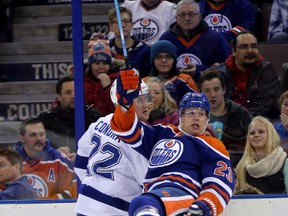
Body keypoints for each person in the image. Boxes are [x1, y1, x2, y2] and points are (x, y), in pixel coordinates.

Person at [110, 69, 235, 216]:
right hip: (155, 195)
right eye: (190, 113)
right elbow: (127, 130)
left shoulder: (211, 144)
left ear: (207, 120)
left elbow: (220, 182)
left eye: (201, 114)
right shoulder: (163, 133)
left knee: (141, 204)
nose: (196, 118)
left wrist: (205, 206)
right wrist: (125, 105)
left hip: (184, 195)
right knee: (140, 204)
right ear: (180, 116)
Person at [74, 77, 151, 215]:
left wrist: (94, 184)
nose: (146, 105)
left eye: (146, 98)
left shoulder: (100, 122)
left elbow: (80, 162)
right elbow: (146, 179)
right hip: (115, 208)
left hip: (85, 203)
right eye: (139, 100)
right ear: (122, 102)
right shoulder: (139, 135)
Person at [214, 30, 280, 119]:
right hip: (226, 123)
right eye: (244, 47)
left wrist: (243, 121)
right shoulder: (220, 73)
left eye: (254, 46)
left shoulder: (266, 70)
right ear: (233, 51)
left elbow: (264, 104)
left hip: (258, 121)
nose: (250, 50)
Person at [159, 0, 231, 81]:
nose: (187, 18)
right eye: (182, 15)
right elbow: (156, 69)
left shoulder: (215, 38)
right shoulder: (166, 39)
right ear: (176, 18)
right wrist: (177, 73)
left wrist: (200, 70)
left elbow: (226, 67)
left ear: (199, 16)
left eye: (191, 14)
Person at [38, 75, 102, 161]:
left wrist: (83, 158)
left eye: (77, 91)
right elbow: (33, 146)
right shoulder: (45, 118)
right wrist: (53, 153)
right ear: (59, 97)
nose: (73, 96)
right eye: (68, 92)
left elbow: (104, 147)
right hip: (56, 169)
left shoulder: (95, 117)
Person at [13, 118, 76, 200]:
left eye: (41, 134)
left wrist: (43, 203)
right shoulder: (10, 161)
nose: (39, 138)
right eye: (33, 135)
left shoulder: (60, 161)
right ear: (22, 138)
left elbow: (72, 192)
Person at [198, 68, 252, 151]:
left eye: (216, 89)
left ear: (224, 90)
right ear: (200, 93)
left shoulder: (241, 114)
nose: (212, 95)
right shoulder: (195, 117)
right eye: (207, 91)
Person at [235, 116, 288, 194]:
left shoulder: (285, 162)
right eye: (252, 133)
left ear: (270, 134)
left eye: (261, 131)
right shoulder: (241, 167)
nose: (256, 135)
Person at [145, 39, 198, 105]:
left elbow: (196, 106)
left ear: (174, 60)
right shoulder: (144, 82)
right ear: (153, 61)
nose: (164, 60)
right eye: (159, 57)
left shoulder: (185, 80)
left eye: (168, 57)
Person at [108, 7, 151, 78]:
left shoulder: (144, 50)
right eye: (118, 22)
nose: (122, 25)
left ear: (132, 25)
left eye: (126, 21)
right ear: (111, 26)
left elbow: (148, 77)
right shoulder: (106, 49)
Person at [84, 39, 118, 116]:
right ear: (90, 65)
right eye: (97, 63)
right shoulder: (80, 81)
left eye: (105, 63)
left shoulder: (118, 80)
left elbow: (119, 110)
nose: (101, 67)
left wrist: (107, 88)